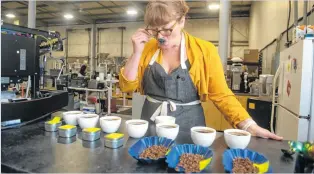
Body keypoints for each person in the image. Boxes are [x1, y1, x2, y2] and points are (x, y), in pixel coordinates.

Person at [119, 0, 282, 140]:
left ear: (182, 20)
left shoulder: (204, 50)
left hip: (189, 127)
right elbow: (126, 87)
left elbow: (221, 95)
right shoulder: (147, 48)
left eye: (167, 29)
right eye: (155, 30)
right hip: (151, 124)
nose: (161, 36)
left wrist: (249, 126)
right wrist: (137, 53)